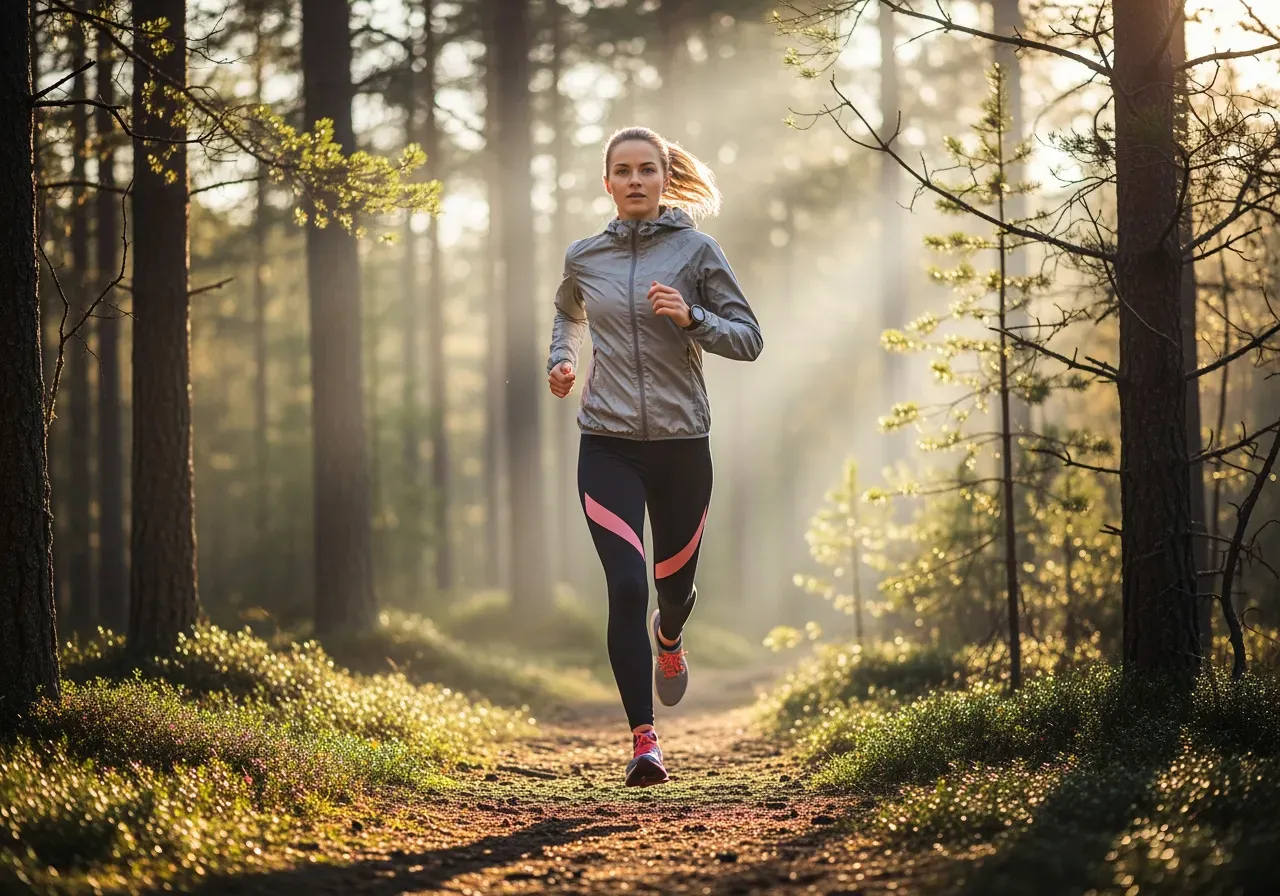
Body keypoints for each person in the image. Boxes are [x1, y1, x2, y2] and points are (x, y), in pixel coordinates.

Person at [545, 126, 764, 787]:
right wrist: (561, 359)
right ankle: (645, 743)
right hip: (607, 444)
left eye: (647, 170)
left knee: (671, 593)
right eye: (623, 171)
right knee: (626, 585)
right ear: (606, 182)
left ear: (666, 180)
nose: (635, 180)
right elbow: (569, 314)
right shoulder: (585, 257)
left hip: (681, 449)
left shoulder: (697, 250)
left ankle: (670, 636)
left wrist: (693, 318)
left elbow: (749, 339)